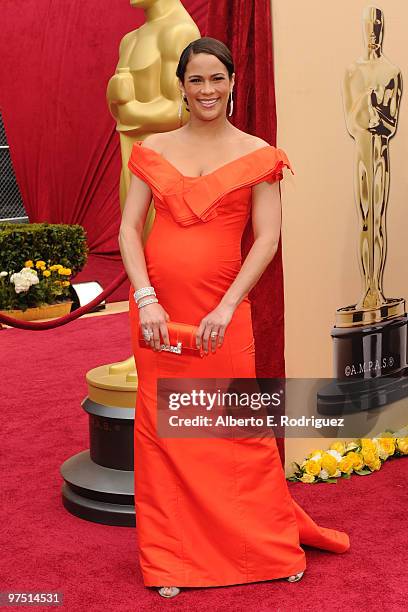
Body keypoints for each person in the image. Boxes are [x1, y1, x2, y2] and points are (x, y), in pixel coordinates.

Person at [119, 37, 350, 600]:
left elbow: (267, 236)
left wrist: (226, 306)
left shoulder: (258, 154)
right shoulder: (153, 149)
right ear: (182, 85)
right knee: (163, 438)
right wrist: (146, 297)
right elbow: (129, 229)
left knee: (234, 438)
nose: (207, 90)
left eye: (216, 78)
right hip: (157, 319)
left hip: (224, 316)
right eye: (196, 80)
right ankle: (172, 561)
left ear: (232, 83)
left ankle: (265, 550)